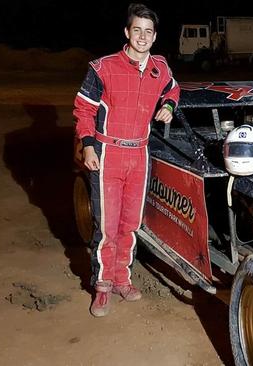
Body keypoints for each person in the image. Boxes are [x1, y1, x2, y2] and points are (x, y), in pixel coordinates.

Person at [73, 3, 180, 317]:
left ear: (155, 35)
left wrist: (170, 108)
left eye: (148, 31)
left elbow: (174, 91)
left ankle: (122, 278)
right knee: (106, 226)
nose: (143, 37)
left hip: (140, 154)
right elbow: (83, 111)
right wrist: (89, 147)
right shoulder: (102, 67)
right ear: (127, 32)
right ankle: (102, 287)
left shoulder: (161, 68)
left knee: (130, 224)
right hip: (108, 155)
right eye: (137, 30)